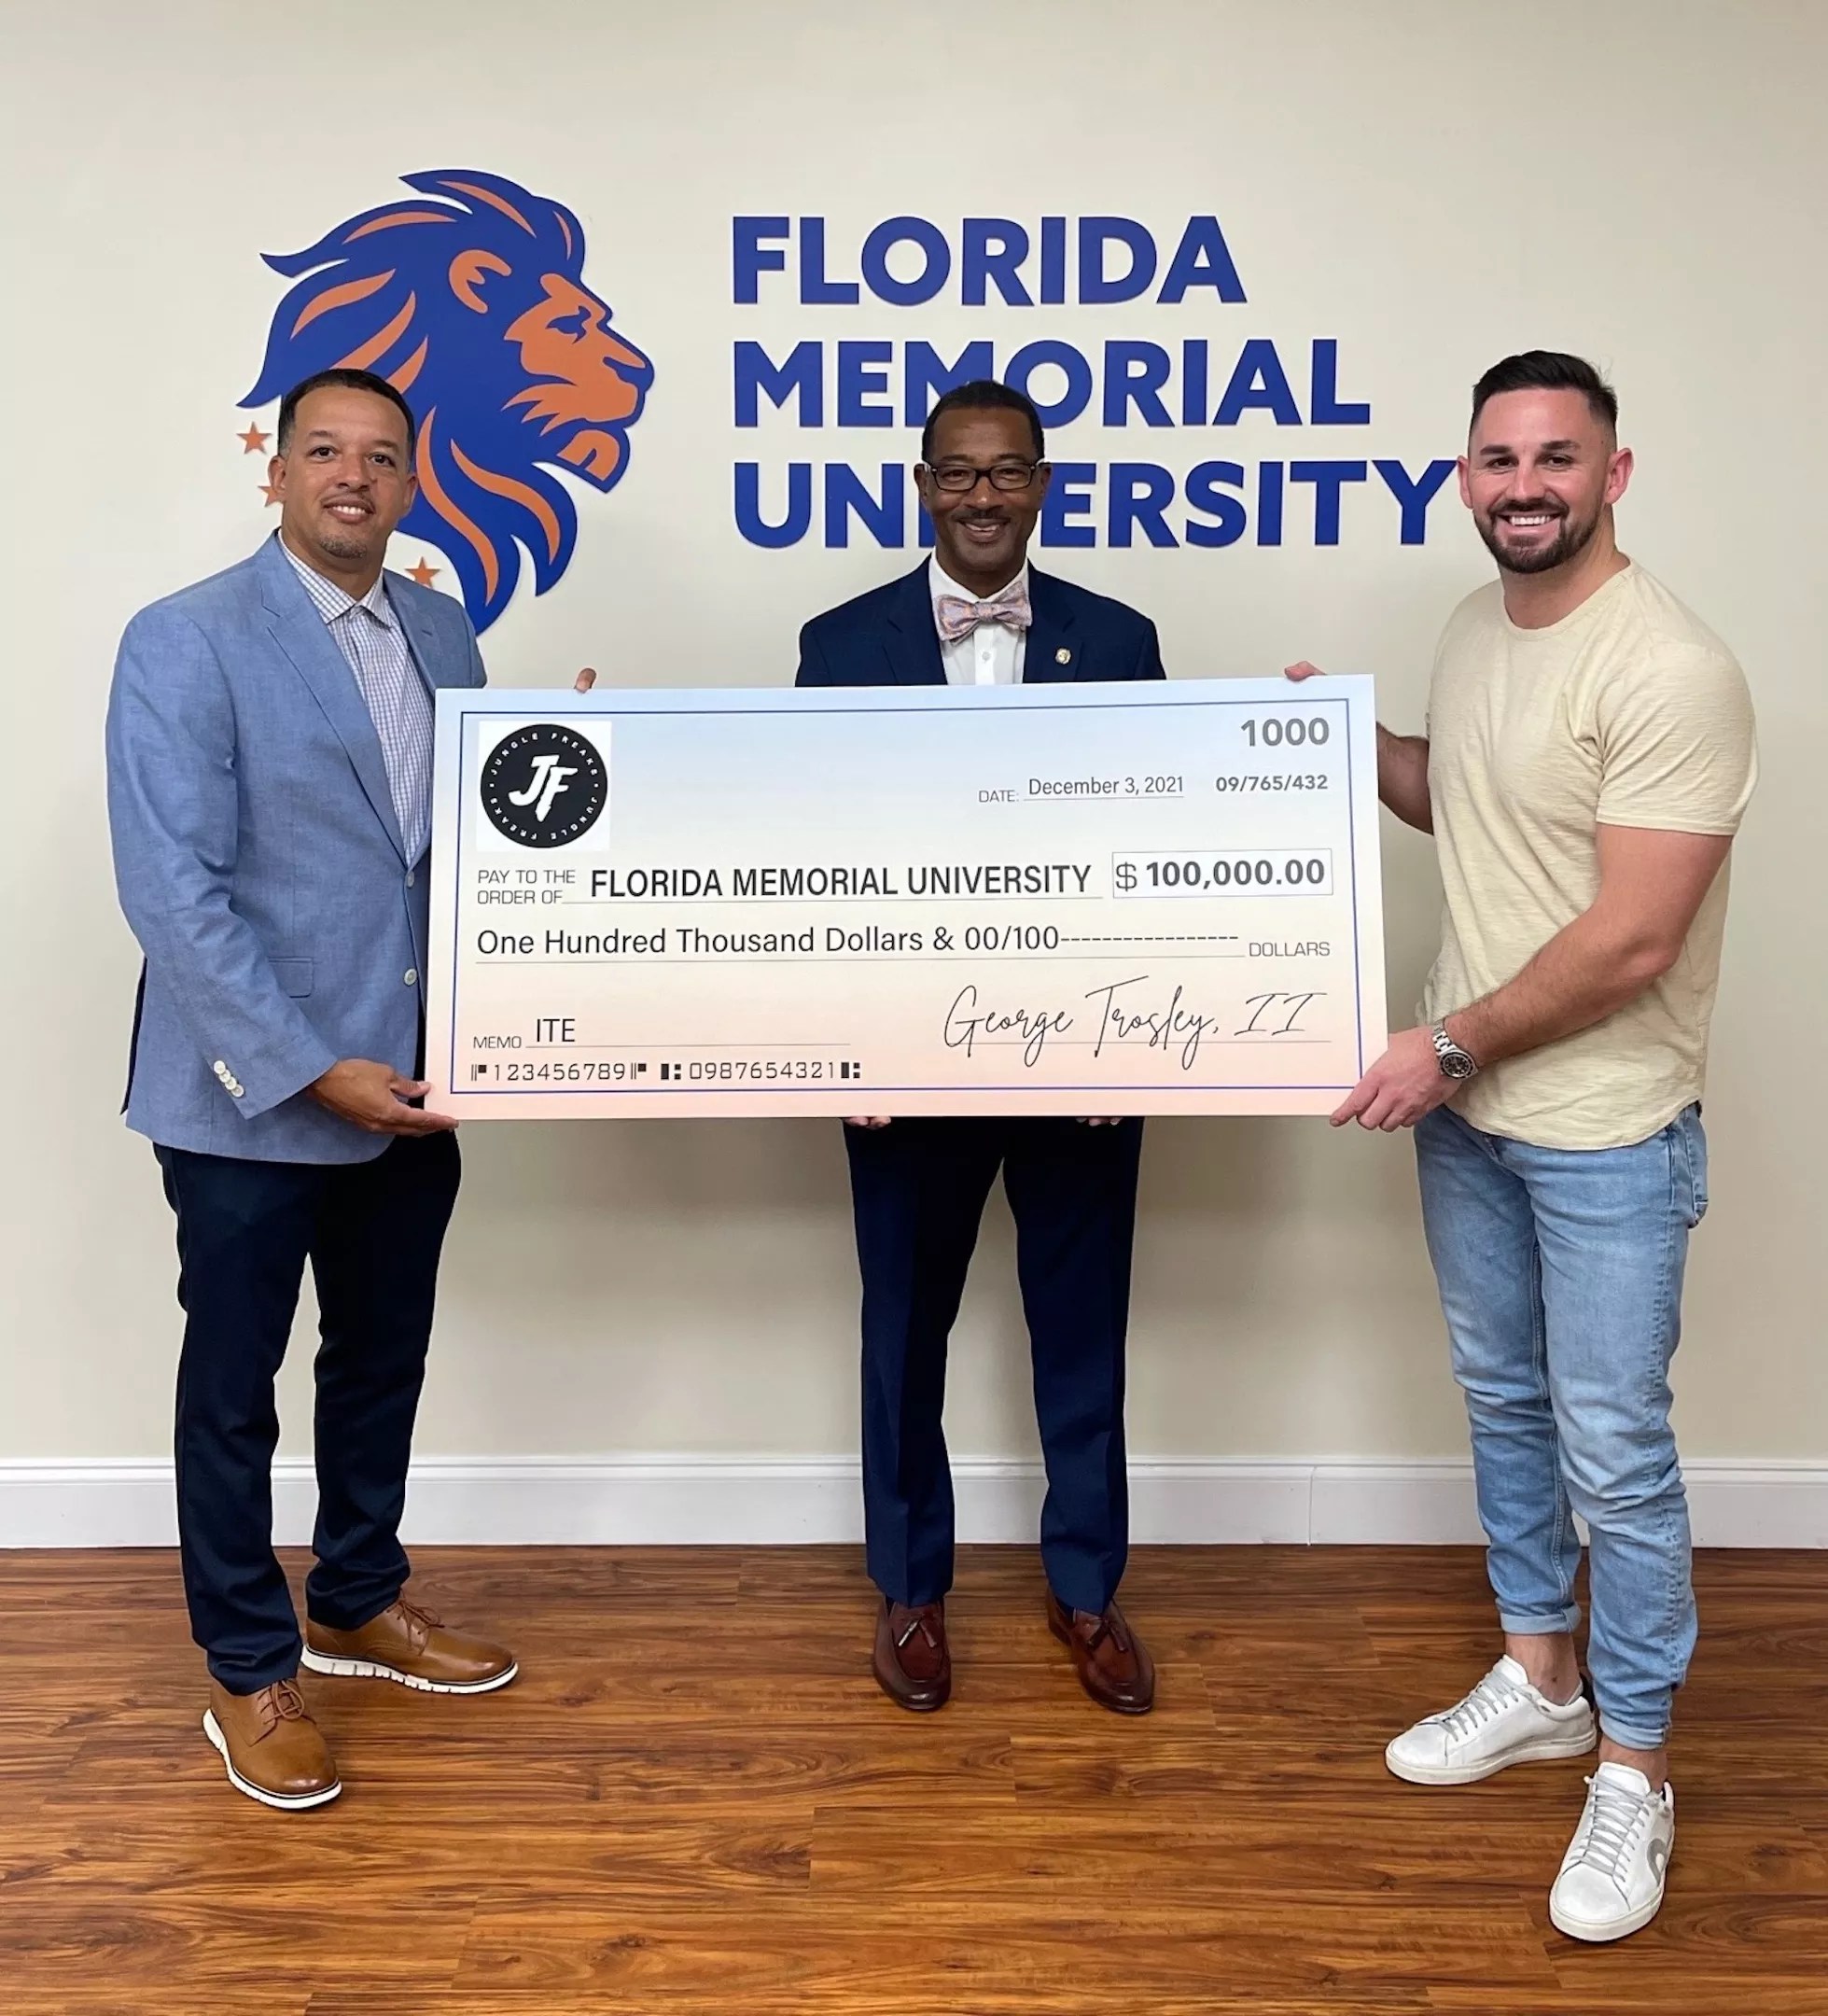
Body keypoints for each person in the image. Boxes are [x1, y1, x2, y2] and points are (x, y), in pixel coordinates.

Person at [1291, 350, 1755, 1940]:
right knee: (1501, 1400)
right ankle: (1544, 1679)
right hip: (1474, 1117)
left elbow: (1633, 938)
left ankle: (1635, 1767)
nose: (1525, 486)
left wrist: (1448, 1045)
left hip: (1606, 1126)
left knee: (1614, 1451)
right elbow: (1466, 800)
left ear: (1613, 475)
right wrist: (1328, 746)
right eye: (1498, 460)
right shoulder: (1475, 626)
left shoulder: (1672, 667)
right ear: (1467, 478)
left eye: (1557, 458)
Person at [106, 368, 520, 1810]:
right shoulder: (185, 637)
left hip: (411, 1082)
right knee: (234, 1393)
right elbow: (173, 892)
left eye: (383, 456)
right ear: (275, 471)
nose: (355, 476)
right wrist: (304, 1066)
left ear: (411, 482)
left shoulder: (447, 635)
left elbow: (471, 849)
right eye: (326, 451)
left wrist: (582, 772)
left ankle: (356, 1595)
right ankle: (247, 1665)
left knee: (380, 1359)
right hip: (250, 1097)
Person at [796, 380, 1165, 1716]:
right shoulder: (839, 644)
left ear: (1043, 486)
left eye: (1007, 472)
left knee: (1082, 1328)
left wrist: (1132, 1048)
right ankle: (911, 1587)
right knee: (904, 1331)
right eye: (958, 472)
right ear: (922, 485)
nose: (982, 496)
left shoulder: (1119, 640)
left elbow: (1153, 851)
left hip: (1084, 1066)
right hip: (902, 1072)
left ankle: (1087, 1589)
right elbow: (810, 859)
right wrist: (846, 1048)